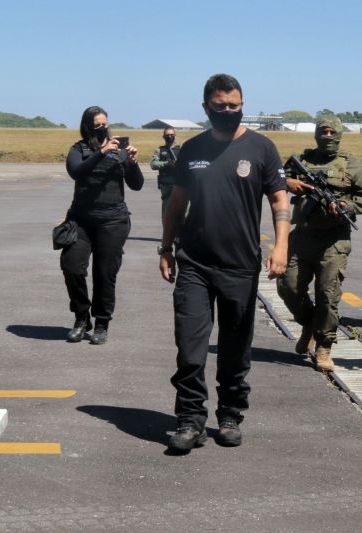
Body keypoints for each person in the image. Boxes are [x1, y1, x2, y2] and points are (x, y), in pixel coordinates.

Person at [159, 74, 290, 454]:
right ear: (206, 108)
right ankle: (189, 420)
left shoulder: (262, 148)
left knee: (235, 347)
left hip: (240, 266)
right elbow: (176, 204)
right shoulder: (192, 149)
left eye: (235, 105)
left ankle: (230, 415)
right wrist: (166, 248)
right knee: (190, 347)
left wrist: (281, 245)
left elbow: (280, 201)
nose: (229, 111)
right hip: (195, 263)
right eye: (221, 106)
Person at [277, 116, 362, 372]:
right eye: (324, 131)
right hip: (302, 237)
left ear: (340, 133)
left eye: (333, 131)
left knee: (327, 295)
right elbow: (274, 180)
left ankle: (323, 346)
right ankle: (309, 323)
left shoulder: (352, 164)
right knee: (287, 286)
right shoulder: (303, 159)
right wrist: (289, 183)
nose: (328, 135)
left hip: (334, 240)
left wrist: (346, 206)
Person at [61, 106, 144, 345]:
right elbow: (77, 171)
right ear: (87, 126)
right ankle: (81, 318)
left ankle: (101, 322)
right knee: (72, 267)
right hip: (81, 220)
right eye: (97, 124)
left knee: (105, 273)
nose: (102, 127)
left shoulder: (119, 152)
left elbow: (136, 185)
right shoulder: (78, 150)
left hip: (113, 221)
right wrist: (101, 152)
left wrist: (133, 161)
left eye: (105, 123)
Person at [149, 126, 181, 220]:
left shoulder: (182, 149)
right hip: (166, 185)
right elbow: (153, 164)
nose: (170, 136)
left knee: (183, 212)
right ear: (163, 136)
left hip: (180, 185)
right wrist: (167, 163)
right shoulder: (160, 150)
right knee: (167, 213)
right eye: (167, 135)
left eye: (172, 135)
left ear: (175, 135)